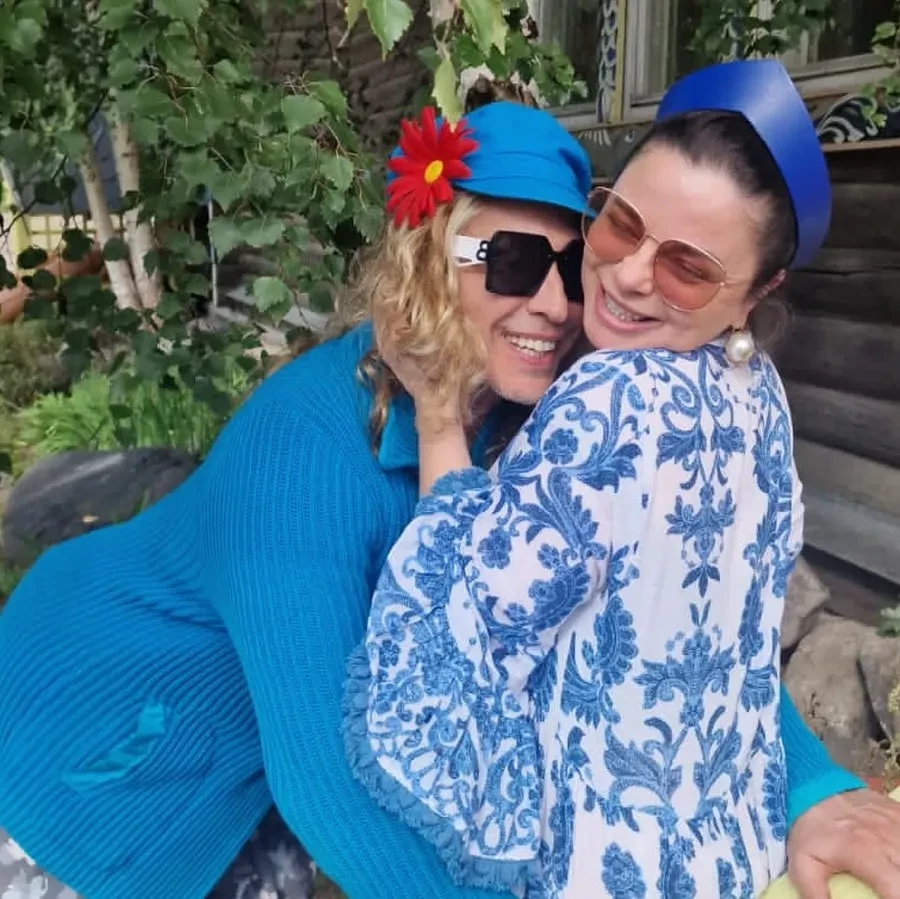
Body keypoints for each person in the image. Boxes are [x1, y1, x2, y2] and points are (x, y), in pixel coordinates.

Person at [0, 95, 893, 899]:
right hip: (92, 739)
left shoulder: (548, 418)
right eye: (509, 260)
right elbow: (329, 783)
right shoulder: (302, 444)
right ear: (431, 255)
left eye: (570, 259)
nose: (555, 302)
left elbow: (682, 634)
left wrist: (813, 788)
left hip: (249, 778)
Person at [346, 62, 900, 899]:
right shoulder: (760, 396)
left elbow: (466, 634)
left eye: (687, 268)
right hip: (736, 854)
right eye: (620, 226)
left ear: (755, 293)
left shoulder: (608, 396)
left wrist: (435, 420)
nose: (630, 274)